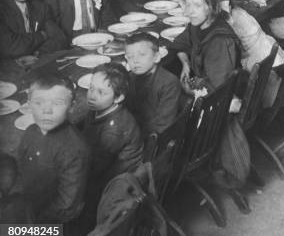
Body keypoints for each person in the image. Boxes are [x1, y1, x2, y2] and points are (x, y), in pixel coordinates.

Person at [17, 73, 90, 223]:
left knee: (5, 234)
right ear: (29, 104)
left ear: (72, 106)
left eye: (57, 103)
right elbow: (21, 174)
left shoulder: (75, 150)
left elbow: (67, 207)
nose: (47, 110)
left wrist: (30, 226)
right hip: (31, 209)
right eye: (38, 102)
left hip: (58, 228)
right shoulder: (30, 132)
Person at [82, 62, 143, 195]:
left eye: (101, 92)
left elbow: (94, 169)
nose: (92, 96)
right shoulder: (98, 107)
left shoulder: (113, 130)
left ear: (119, 97)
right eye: (91, 88)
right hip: (105, 166)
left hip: (116, 183)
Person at [172, 0, 241, 93]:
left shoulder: (219, 41)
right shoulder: (197, 24)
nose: (189, 12)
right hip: (204, 86)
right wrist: (186, 63)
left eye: (197, 5)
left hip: (220, 100)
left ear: (210, 7)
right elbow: (179, 43)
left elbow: (218, 90)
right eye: (188, 5)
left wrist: (189, 91)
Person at [125, 32, 182, 135]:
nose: (135, 61)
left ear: (156, 57)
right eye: (130, 57)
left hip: (154, 139)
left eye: (142, 55)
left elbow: (163, 126)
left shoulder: (169, 83)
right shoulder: (129, 78)